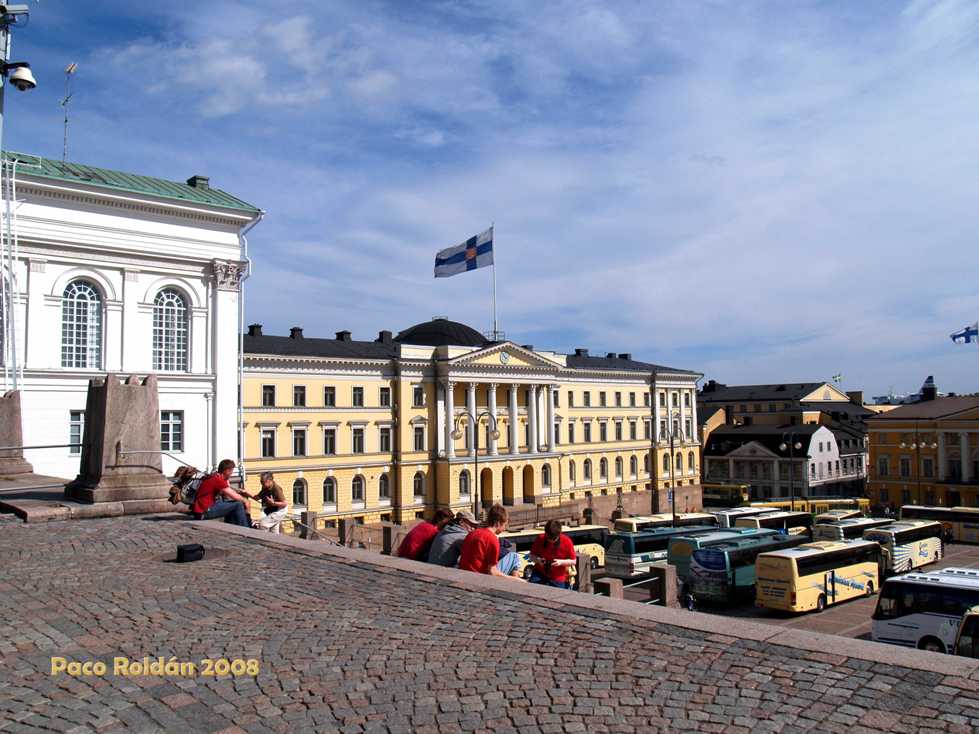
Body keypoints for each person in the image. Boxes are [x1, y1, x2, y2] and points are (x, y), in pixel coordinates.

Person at [190, 459, 251, 528]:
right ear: (227, 471)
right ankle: (246, 529)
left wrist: (227, 481)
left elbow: (228, 491)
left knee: (230, 504)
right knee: (238, 504)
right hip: (204, 511)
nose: (232, 473)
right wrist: (246, 501)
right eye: (231, 471)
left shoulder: (214, 476)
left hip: (199, 511)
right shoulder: (218, 480)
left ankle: (232, 527)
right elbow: (234, 496)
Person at [458, 504, 515, 577]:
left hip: (464, 574)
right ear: (498, 523)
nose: (505, 528)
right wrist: (516, 580)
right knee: (514, 556)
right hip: (479, 577)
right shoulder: (492, 539)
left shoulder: (472, 533)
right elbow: (492, 572)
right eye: (505, 525)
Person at [528, 520, 576, 588]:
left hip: (557, 577)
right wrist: (538, 560)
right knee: (531, 589)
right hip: (540, 573)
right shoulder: (540, 538)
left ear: (559, 534)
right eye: (549, 538)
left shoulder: (567, 541)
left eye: (554, 539)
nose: (551, 541)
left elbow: (574, 561)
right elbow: (531, 556)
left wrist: (560, 562)